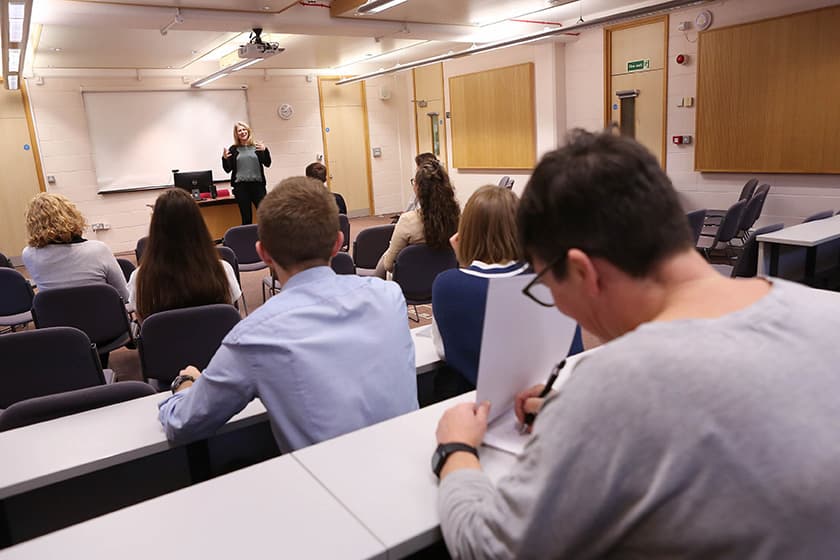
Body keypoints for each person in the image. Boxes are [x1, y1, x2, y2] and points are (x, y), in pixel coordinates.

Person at [432, 130, 840, 558]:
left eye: (546, 285)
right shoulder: (827, 309)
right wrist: (574, 415)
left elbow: (490, 549)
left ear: (582, 272)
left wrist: (456, 448)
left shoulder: (617, 386)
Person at [158, 176, 419, 452]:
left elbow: (182, 424)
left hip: (330, 488)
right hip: (412, 467)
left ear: (264, 254)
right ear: (337, 243)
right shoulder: (389, 296)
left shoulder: (253, 336)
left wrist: (184, 384)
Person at [431, 185, 583, 388]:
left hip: (478, 404)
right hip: (555, 394)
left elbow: (442, 350)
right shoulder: (550, 278)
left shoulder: (446, 286)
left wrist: (463, 261)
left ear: (465, 232)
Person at [128, 188, 241, 321]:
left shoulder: (140, 278)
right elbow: (231, 316)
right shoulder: (223, 270)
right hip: (215, 341)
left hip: (166, 342)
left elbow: (144, 325)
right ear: (199, 225)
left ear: (156, 228)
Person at [22, 192, 129, 301]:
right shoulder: (98, 250)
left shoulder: (28, 254)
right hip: (104, 317)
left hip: (56, 317)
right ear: (71, 216)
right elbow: (124, 296)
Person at [375, 159, 460, 279]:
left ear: (418, 189)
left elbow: (388, 265)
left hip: (410, 288)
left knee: (386, 256)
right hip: (444, 283)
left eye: (414, 182)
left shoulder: (407, 221)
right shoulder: (456, 218)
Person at [222, 121, 271, 225]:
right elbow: (227, 169)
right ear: (237, 134)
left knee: (264, 216)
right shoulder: (233, 149)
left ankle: (266, 238)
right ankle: (247, 240)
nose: (242, 132)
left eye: (244, 129)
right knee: (246, 217)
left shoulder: (257, 146)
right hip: (241, 187)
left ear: (248, 131)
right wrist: (224, 158)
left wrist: (265, 150)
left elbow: (267, 163)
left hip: (258, 186)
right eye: (240, 130)